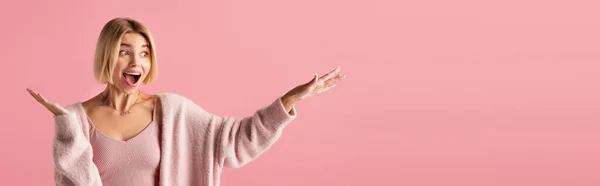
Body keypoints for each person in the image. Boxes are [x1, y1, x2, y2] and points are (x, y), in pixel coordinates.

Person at [26, 17, 346, 186]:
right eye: (124, 51)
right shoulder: (76, 119)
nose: (136, 61)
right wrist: (67, 131)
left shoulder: (173, 112)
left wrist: (288, 101)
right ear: (106, 55)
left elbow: (235, 142)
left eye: (144, 52)